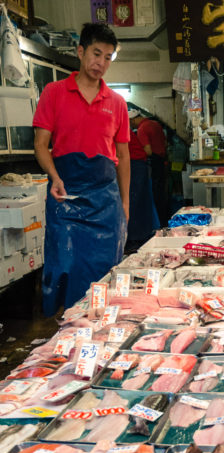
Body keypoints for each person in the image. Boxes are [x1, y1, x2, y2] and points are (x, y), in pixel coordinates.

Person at [33, 22, 130, 316]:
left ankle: (99, 332)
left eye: (108, 57)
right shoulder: (54, 92)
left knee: (105, 269)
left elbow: (123, 157)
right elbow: (40, 145)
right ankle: (65, 332)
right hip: (65, 195)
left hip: (105, 199)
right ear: (80, 51)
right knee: (64, 266)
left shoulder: (117, 103)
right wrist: (55, 177)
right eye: (96, 53)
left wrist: (125, 202)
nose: (100, 63)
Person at [127, 109, 159, 252]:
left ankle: (135, 240)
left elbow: (148, 150)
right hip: (141, 165)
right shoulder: (153, 124)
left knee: (134, 203)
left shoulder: (142, 128)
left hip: (135, 165)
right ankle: (142, 236)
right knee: (142, 201)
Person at [129, 110, 168, 226]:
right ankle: (164, 221)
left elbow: (148, 151)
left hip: (153, 163)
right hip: (162, 161)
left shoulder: (142, 129)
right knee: (162, 194)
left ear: (134, 119)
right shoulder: (156, 124)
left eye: (131, 123)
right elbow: (165, 143)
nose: (131, 126)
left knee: (154, 195)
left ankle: (157, 224)